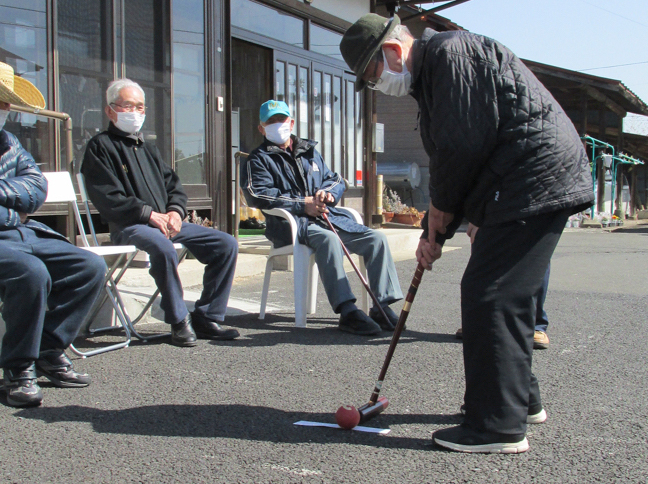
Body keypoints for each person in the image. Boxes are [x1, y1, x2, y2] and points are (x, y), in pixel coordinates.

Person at [340, 14, 594, 453]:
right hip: (520, 181)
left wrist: (441, 215)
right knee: (500, 294)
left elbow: (462, 146)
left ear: (393, 51)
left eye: (373, 74)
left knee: (491, 293)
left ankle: (497, 425)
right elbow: (463, 150)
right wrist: (437, 227)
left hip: (531, 177)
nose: (378, 84)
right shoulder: (435, 73)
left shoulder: (447, 54)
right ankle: (521, 403)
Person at [81, 79, 239, 347]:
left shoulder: (147, 148)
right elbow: (107, 197)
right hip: (130, 226)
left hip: (166, 222)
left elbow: (173, 186)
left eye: (140, 107)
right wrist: (148, 215)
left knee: (226, 243)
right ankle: (178, 320)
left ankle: (207, 315)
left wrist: (176, 212)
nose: (135, 113)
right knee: (163, 247)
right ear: (110, 111)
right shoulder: (100, 147)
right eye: (128, 106)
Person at [244, 99, 402, 335]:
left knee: (376, 239)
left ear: (292, 122)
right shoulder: (257, 159)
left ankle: (381, 306)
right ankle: (347, 311)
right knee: (328, 240)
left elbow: (336, 179)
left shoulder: (310, 151)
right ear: (261, 128)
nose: (278, 125)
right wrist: (303, 204)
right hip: (290, 225)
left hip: (327, 217)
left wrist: (327, 192)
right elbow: (258, 194)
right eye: (271, 122)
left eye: (282, 120)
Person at [0, 63, 106, 407]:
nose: (5, 110)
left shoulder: (10, 142)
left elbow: (36, 187)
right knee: (31, 273)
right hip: (10, 234)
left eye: (7, 104)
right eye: (1, 102)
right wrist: (14, 194)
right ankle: (18, 367)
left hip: (21, 229)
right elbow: (25, 190)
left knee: (89, 266)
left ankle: (49, 347)